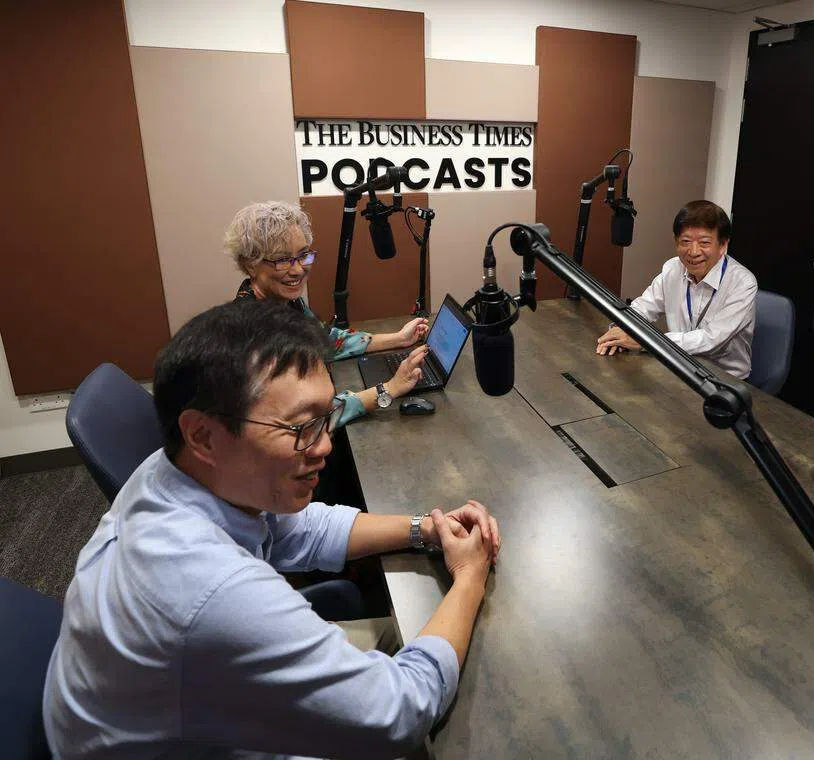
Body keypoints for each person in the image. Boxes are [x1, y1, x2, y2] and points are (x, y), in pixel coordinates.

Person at [43, 300, 502, 759]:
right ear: (202, 435)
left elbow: (297, 530)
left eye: (325, 416)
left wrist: (426, 528)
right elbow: (400, 711)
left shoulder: (170, 470)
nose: (325, 445)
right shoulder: (213, 588)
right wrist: (469, 576)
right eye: (301, 427)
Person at [227, 201, 428, 425]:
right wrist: (388, 389)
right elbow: (306, 420)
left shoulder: (284, 302)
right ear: (250, 264)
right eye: (282, 260)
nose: (298, 270)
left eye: (303, 255)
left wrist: (399, 338)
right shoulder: (254, 336)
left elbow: (325, 340)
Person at [595, 200, 758, 380]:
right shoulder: (673, 268)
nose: (693, 251)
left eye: (704, 243)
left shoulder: (742, 283)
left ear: (723, 245)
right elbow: (643, 308)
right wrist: (623, 328)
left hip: (725, 379)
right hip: (679, 367)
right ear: (676, 242)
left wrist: (645, 341)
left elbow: (711, 340)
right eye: (685, 241)